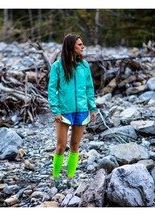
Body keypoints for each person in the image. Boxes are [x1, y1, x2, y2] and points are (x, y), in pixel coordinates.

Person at [47, 33, 97, 189]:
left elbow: (89, 88)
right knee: (61, 146)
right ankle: (55, 178)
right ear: (71, 47)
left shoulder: (84, 66)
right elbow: (51, 89)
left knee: (75, 145)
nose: (83, 47)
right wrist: (55, 110)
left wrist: (92, 108)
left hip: (82, 111)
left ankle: (70, 178)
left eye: (82, 44)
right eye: (80, 44)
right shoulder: (57, 66)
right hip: (64, 111)